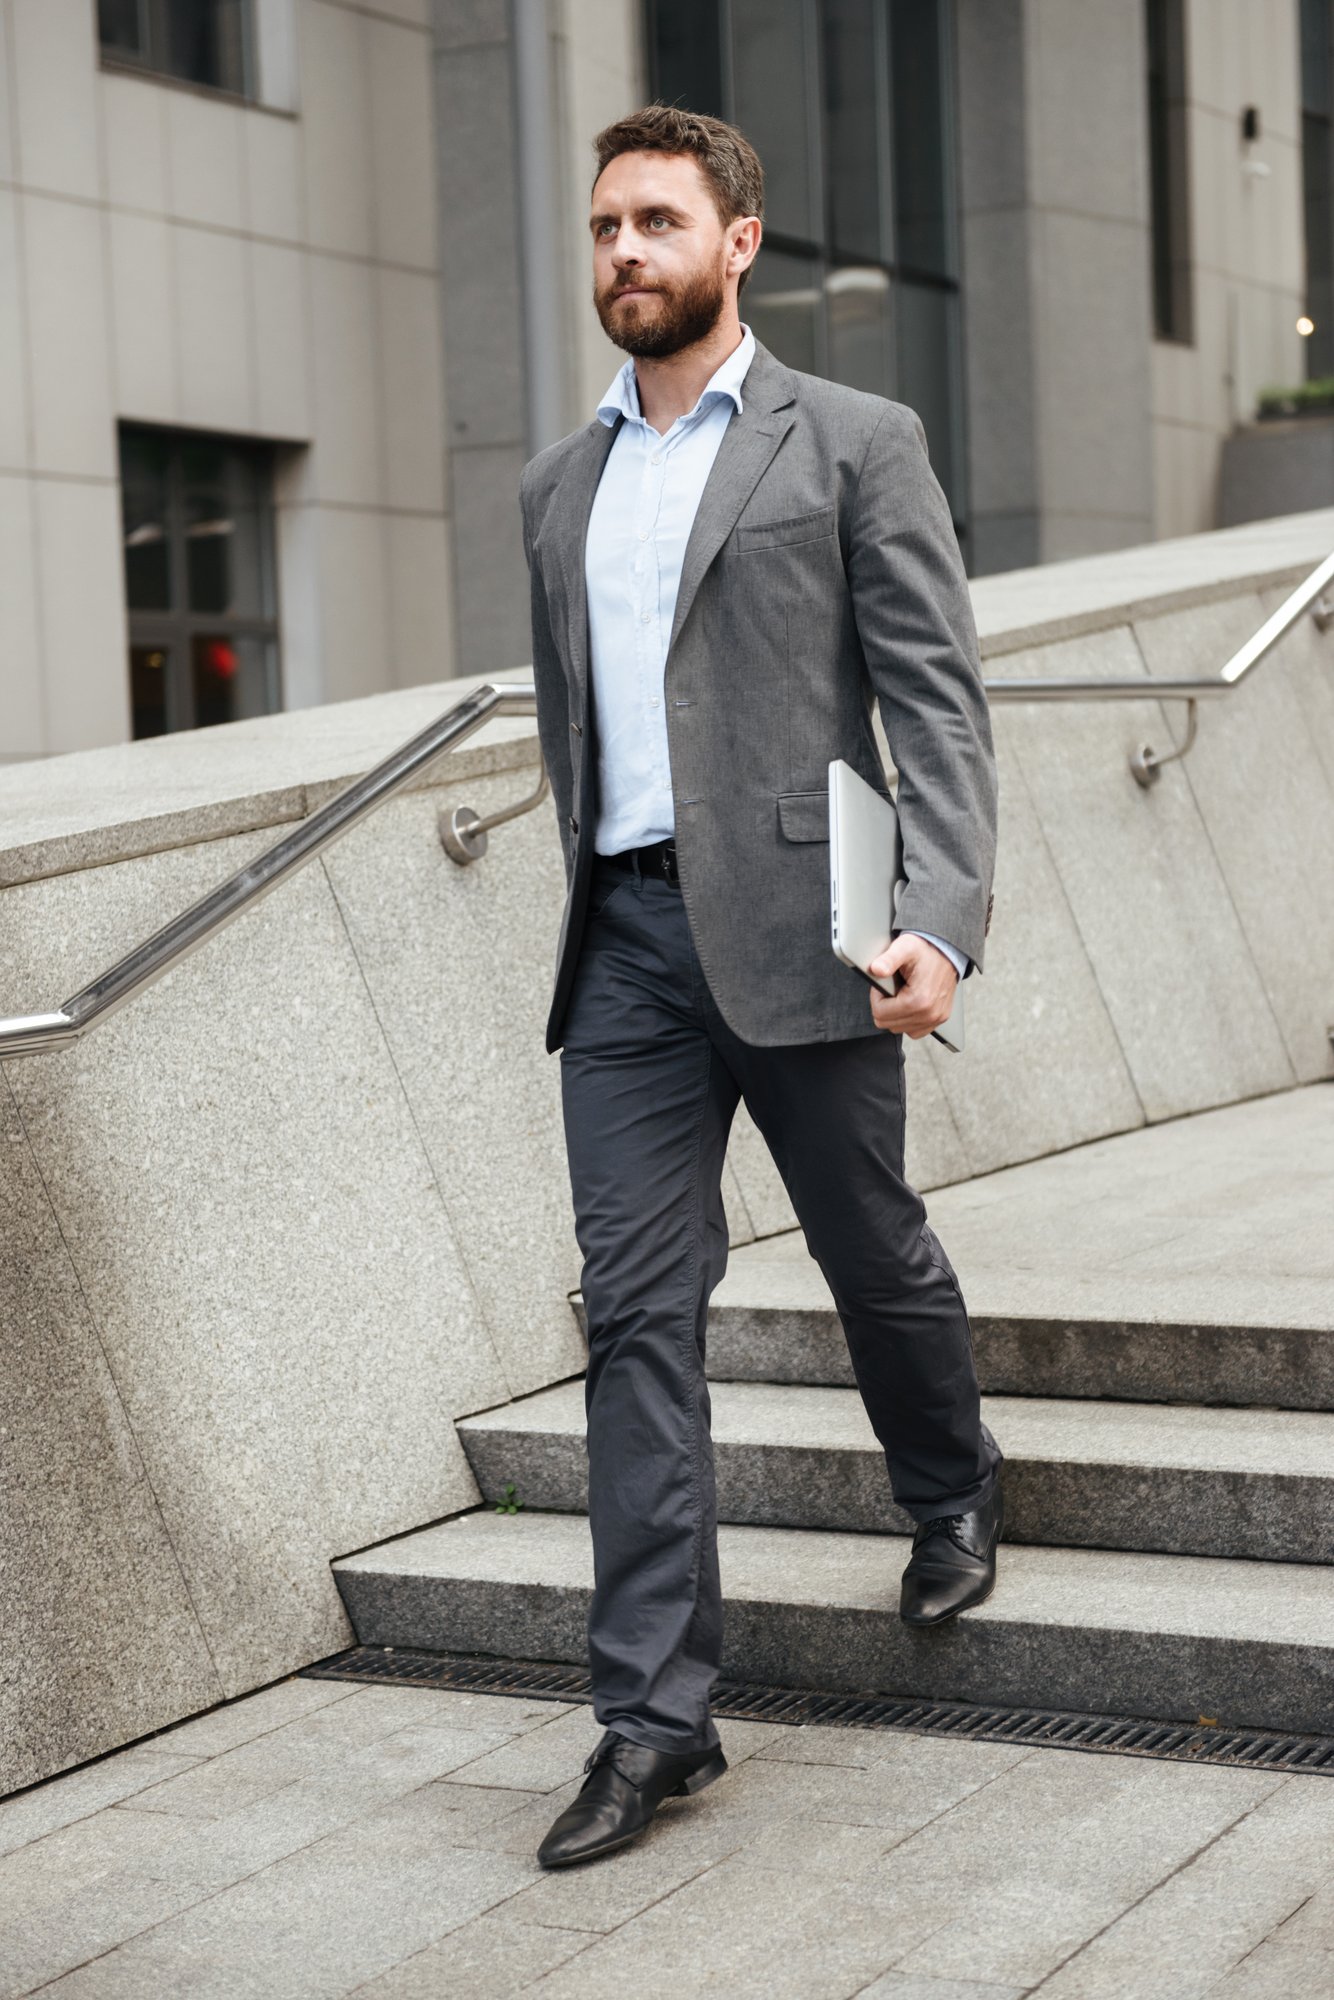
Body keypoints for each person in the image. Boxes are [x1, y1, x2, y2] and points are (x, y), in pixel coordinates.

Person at [518, 104, 1002, 1871]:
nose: (622, 255)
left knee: (869, 1241)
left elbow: (933, 699)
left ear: (738, 241)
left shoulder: (855, 438)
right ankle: (653, 1720)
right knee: (636, 1315)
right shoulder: (555, 484)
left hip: (816, 926)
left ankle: (946, 1482)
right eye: (601, 228)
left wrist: (933, 918)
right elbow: (581, 734)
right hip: (627, 955)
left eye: (655, 222)